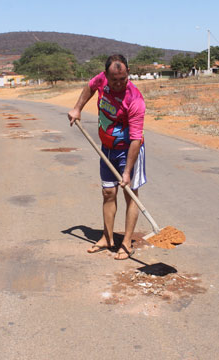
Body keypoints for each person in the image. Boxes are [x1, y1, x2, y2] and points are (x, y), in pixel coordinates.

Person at [68, 54, 146, 260]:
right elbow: (90, 88)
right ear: (106, 76)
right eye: (114, 80)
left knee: (130, 195)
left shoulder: (135, 100)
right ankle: (107, 237)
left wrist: (127, 172)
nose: (119, 84)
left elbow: (136, 139)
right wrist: (77, 109)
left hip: (129, 150)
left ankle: (127, 242)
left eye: (123, 79)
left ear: (128, 73)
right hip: (107, 148)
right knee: (108, 193)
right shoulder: (101, 79)